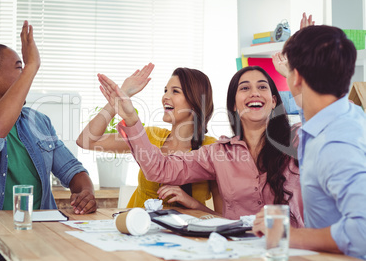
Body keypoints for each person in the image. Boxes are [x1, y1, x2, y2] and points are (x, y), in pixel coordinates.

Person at [98, 63, 304, 226]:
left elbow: (328, 128)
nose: (254, 93)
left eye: (262, 87)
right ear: (233, 103)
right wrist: (131, 118)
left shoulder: (298, 141)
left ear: (274, 101)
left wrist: (300, 80)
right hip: (238, 251)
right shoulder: (218, 153)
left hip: (291, 251)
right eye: (245, 88)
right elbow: (157, 169)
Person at [0, 21, 97, 261]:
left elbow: (72, 170)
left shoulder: (39, 121)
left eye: (24, 67)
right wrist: (32, 66)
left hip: (45, 240)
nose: (25, 73)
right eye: (18, 67)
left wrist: (85, 191)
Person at [252, 14, 366, 259]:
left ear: (298, 77)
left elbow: (362, 233)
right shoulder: (344, 116)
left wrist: (286, 233)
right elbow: (310, 107)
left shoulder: (335, 144)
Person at [77, 65, 222, 214]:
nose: (165, 96)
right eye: (165, 91)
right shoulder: (149, 136)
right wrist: (118, 100)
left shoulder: (212, 148)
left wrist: (191, 202)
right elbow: (86, 140)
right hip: (139, 229)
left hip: (188, 235)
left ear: (195, 100)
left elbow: (223, 218)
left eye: (175, 91)